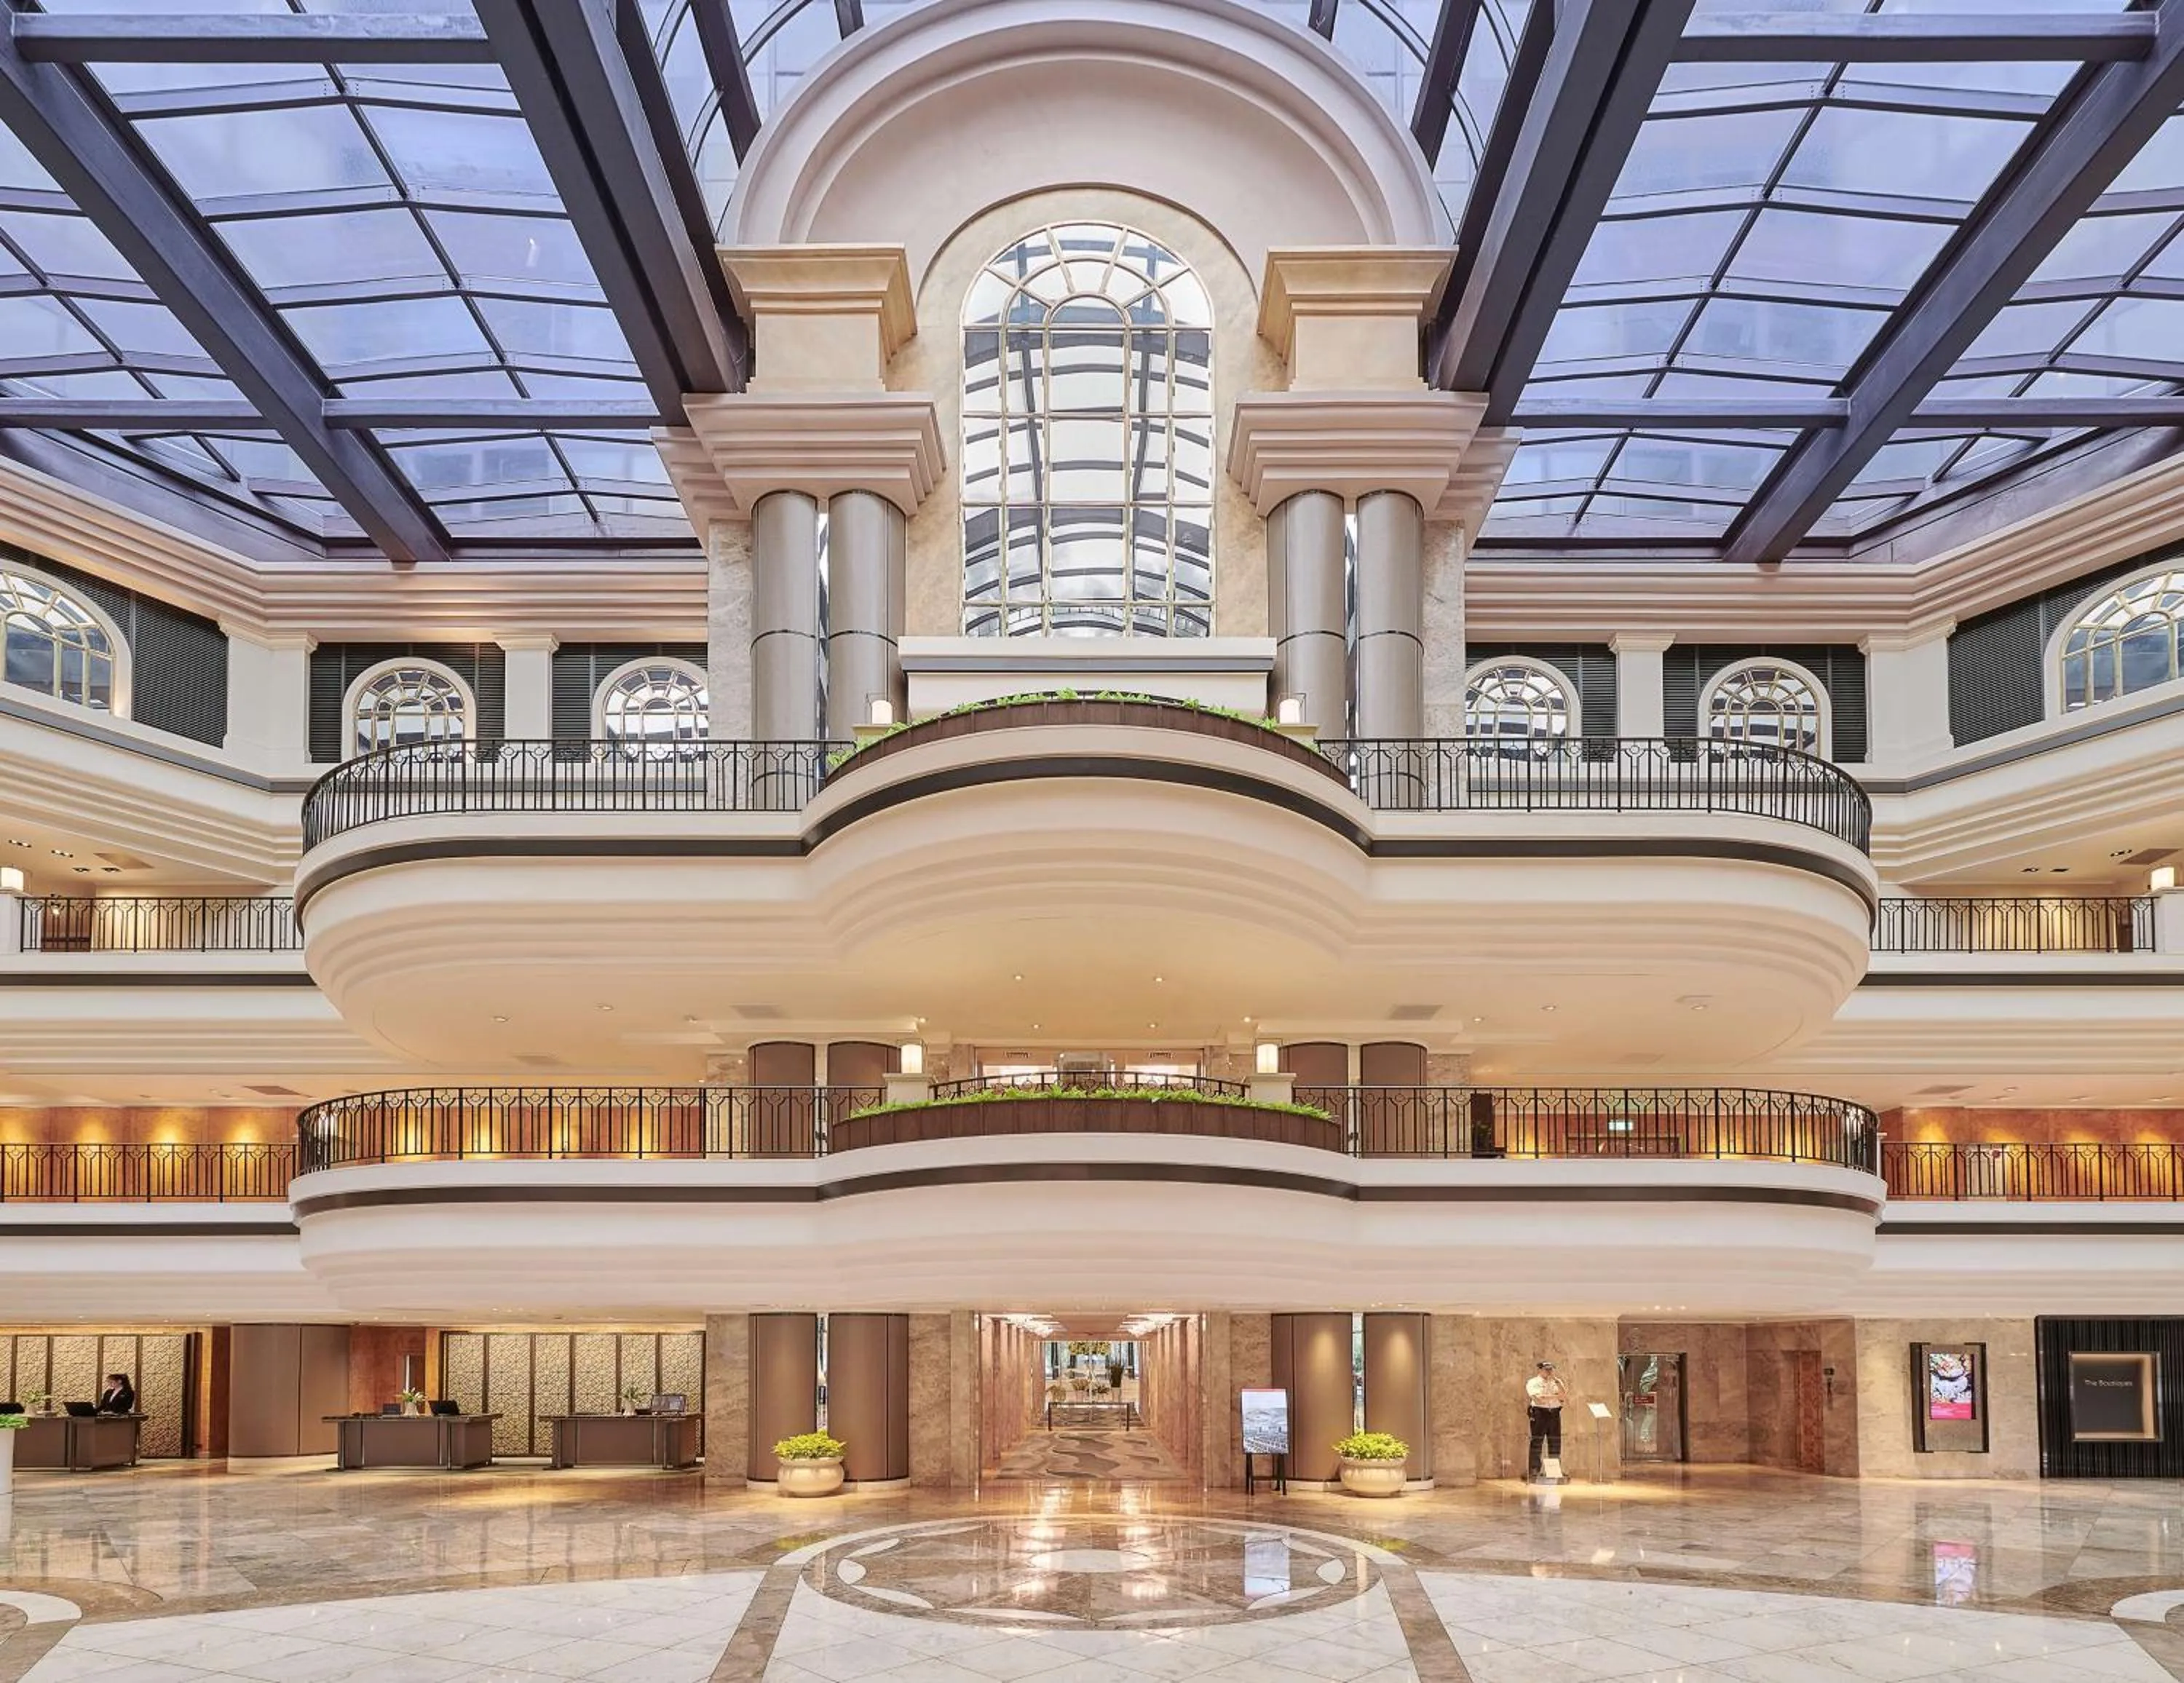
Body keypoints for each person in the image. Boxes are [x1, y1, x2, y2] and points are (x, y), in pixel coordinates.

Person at [1524, 1360, 1567, 1478]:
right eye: (1546, 1369)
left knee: (1555, 1442)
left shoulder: (1557, 1382)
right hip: (1540, 1413)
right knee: (1537, 1442)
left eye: (1551, 1369)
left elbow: (1564, 1396)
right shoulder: (1533, 1382)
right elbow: (1539, 1399)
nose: (1549, 1372)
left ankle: (1554, 1470)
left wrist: (1556, 1392)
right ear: (1540, 1370)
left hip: (1554, 1413)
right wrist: (1555, 1397)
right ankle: (1534, 1469)